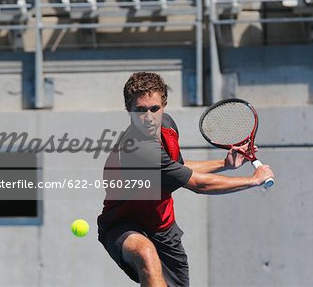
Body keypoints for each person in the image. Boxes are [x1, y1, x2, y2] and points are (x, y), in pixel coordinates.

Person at [97, 72, 274, 287]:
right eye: (140, 110)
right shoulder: (139, 150)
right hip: (122, 225)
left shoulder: (168, 127)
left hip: (163, 227)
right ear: (129, 111)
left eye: (155, 109)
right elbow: (199, 184)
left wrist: (224, 164)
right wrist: (252, 180)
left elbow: (179, 167)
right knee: (145, 253)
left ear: (164, 106)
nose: (149, 117)